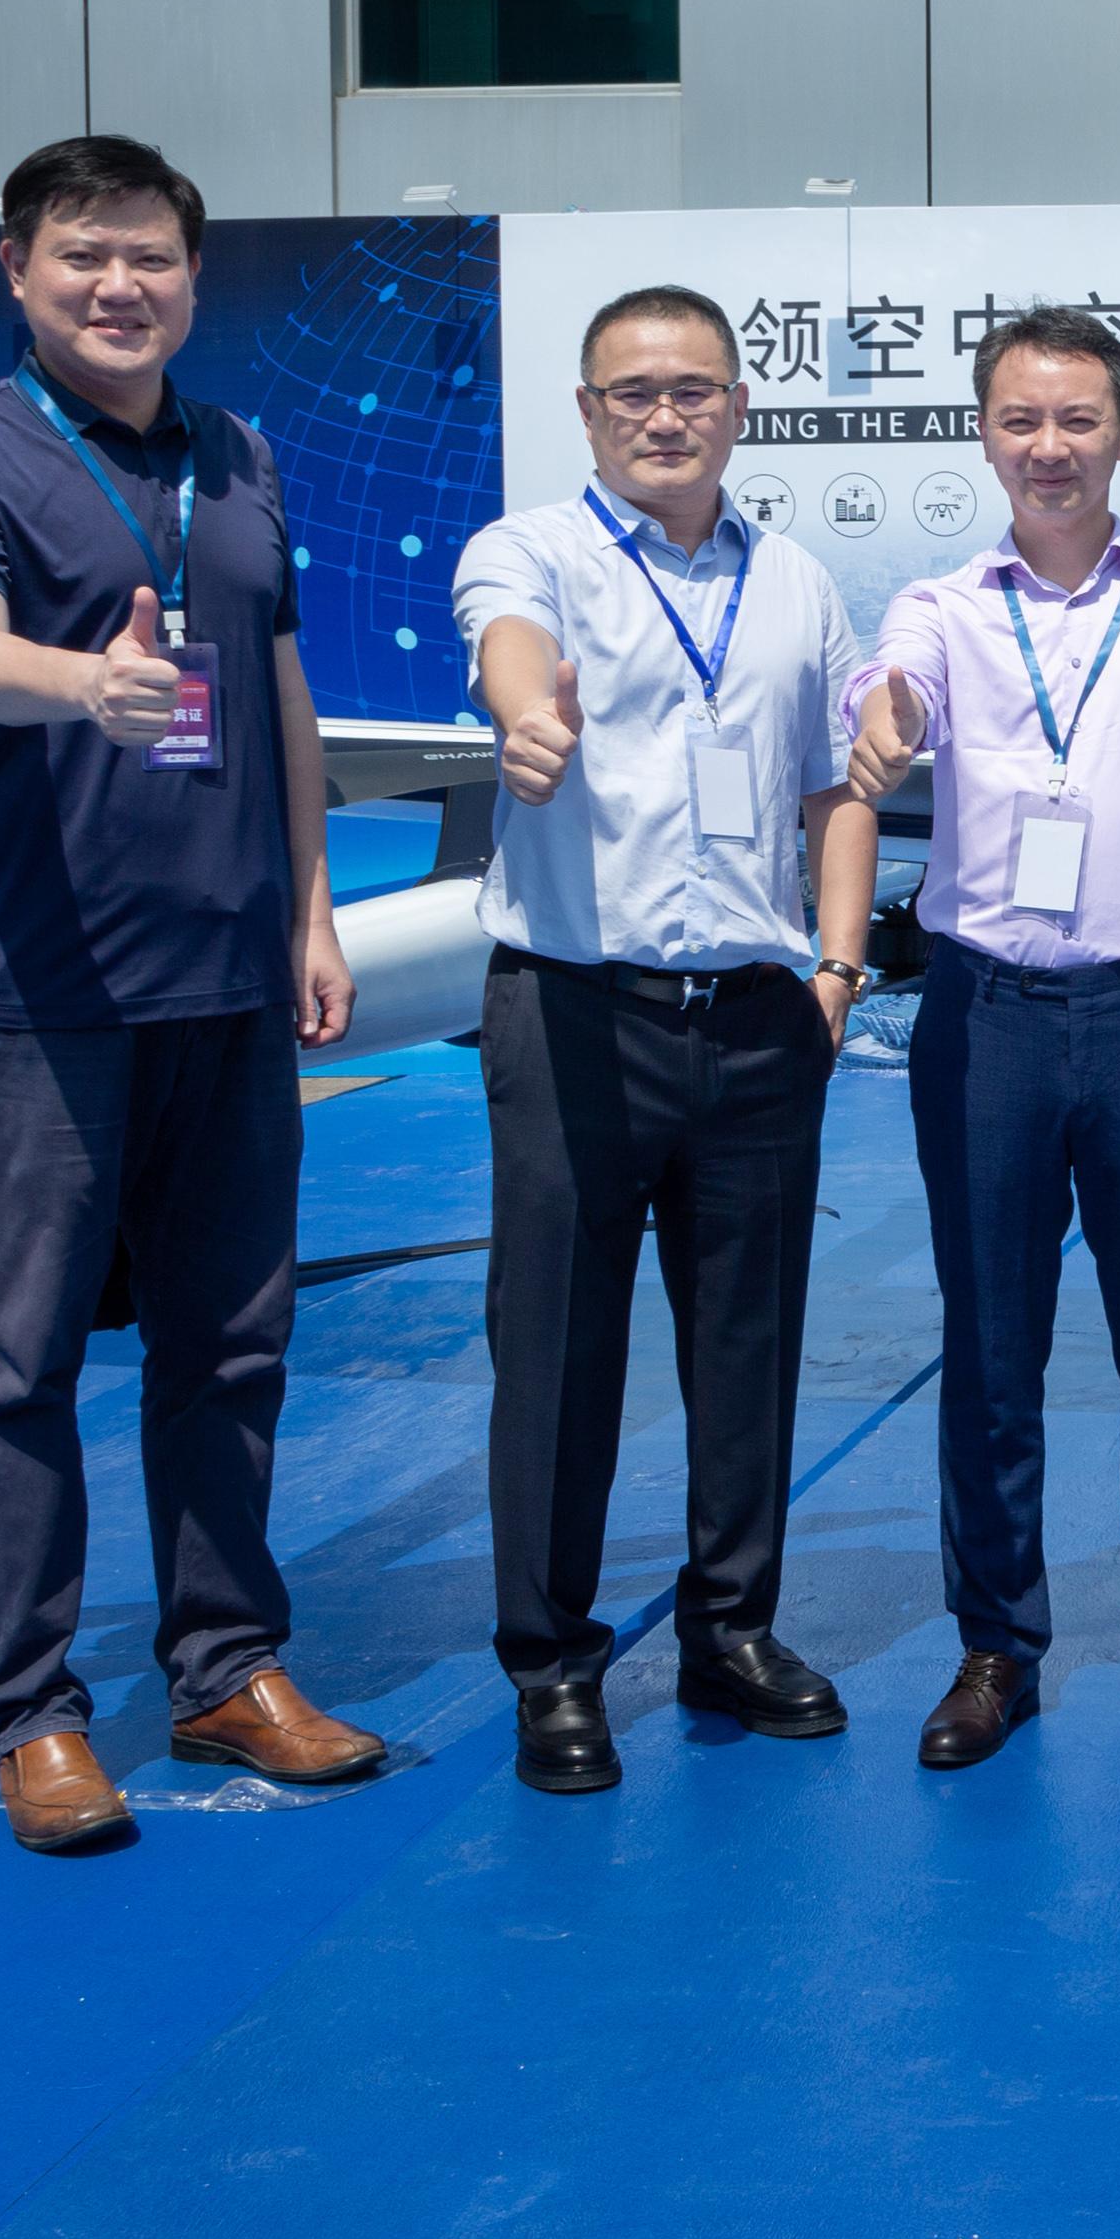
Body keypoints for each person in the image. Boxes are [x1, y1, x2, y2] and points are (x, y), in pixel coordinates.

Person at [0, 133, 373, 1857]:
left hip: (228, 982)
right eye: (84, 255)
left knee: (231, 1347)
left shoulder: (238, 454)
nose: (120, 285)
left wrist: (312, 909)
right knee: (17, 1364)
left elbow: (280, 687)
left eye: (151, 255)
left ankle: (226, 1667)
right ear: (19, 272)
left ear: (192, 272)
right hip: (48, 988)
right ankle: (33, 1712)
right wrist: (79, 685)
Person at [839, 306, 1120, 1770]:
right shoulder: (943, 606)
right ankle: (996, 1647)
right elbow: (888, 690)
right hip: (988, 1023)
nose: (1050, 447)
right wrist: (886, 717)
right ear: (984, 436)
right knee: (990, 1348)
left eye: (1078, 419)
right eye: (1022, 420)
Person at [453, 286, 874, 1794]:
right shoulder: (532, 552)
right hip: (576, 1012)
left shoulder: (798, 582)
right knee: (557, 1350)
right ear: (587, 412)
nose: (664, 415)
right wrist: (529, 723)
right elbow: (508, 649)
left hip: (758, 1022)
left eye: (694, 388)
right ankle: (552, 1663)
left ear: (739, 407)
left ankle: (731, 1630)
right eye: (632, 392)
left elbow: (837, 787)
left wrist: (836, 970)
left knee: (749, 1346)